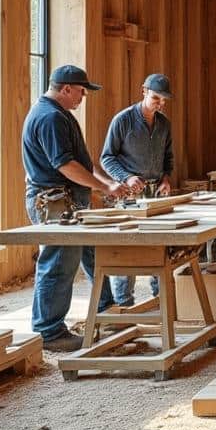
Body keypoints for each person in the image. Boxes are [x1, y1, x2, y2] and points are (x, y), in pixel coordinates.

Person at [22, 65, 124, 352]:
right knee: (58, 264)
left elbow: (80, 161)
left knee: (92, 252)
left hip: (68, 199)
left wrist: (107, 181)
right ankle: (50, 331)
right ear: (65, 89)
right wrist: (104, 189)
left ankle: (106, 309)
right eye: (81, 92)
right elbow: (65, 166)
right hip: (54, 201)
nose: (83, 97)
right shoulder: (50, 117)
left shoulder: (60, 115)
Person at [102, 74, 176, 307]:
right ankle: (124, 306)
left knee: (158, 245)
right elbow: (107, 157)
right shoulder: (122, 120)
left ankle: (161, 301)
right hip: (129, 194)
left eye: (164, 100)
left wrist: (166, 178)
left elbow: (168, 158)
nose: (160, 104)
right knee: (128, 248)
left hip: (155, 193)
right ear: (143, 91)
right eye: (156, 98)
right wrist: (127, 177)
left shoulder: (164, 124)